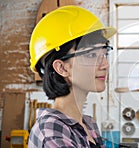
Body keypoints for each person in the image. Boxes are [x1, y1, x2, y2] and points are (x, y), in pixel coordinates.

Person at [28, 5, 116, 148]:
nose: (105, 64)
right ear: (62, 68)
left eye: (104, 54)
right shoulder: (51, 132)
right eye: (91, 55)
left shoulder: (88, 124)